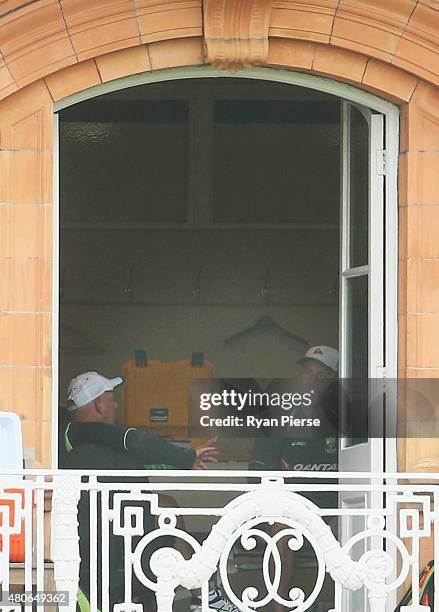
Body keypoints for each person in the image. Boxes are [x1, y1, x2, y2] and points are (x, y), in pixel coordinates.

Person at [59, 371, 219, 611]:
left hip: (122, 523)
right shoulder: (78, 430)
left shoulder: (91, 435)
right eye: (110, 398)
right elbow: (132, 440)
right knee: (160, 528)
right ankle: (207, 598)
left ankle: (206, 598)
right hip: (97, 532)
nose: (115, 404)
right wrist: (185, 456)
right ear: (98, 405)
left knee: (167, 508)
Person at [250, 346, 340, 612]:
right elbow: (258, 469)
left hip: (334, 508)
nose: (311, 380)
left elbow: (365, 460)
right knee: (280, 529)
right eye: (306, 373)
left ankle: (346, 605)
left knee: (354, 527)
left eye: (321, 376)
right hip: (291, 508)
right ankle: (278, 607)